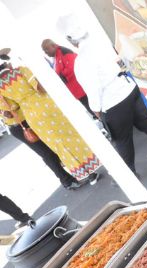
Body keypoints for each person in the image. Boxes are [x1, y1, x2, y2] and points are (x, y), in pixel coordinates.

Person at [58, 18, 147, 175]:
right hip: (128, 88)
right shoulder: (102, 43)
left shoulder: (81, 61)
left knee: (122, 139)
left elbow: (93, 88)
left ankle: (129, 174)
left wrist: (96, 110)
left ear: (70, 39)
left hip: (113, 102)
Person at [0, 49, 101, 183]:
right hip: (46, 106)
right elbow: (40, 87)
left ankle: (87, 175)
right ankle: (93, 162)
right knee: (70, 134)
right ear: (7, 64)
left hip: (31, 116)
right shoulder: (21, 70)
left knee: (58, 144)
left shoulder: (1, 87)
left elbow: (10, 110)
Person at [0, 97, 82, 190]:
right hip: (20, 127)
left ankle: (75, 171)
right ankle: (66, 180)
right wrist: (3, 112)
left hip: (31, 117)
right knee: (46, 152)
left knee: (53, 146)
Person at [40, 39, 95, 117]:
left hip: (83, 89)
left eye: (46, 50)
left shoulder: (64, 51)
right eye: (44, 51)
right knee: (92, 111)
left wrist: (59, 76)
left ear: (53, 46)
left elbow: (73, 68)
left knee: (95, 110)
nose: (46, 53)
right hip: (77, 92)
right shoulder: (56, 57)